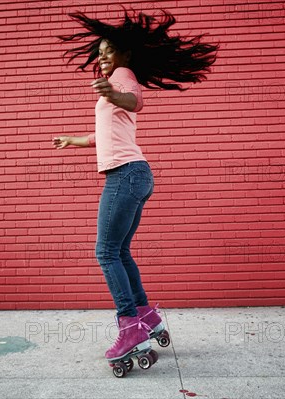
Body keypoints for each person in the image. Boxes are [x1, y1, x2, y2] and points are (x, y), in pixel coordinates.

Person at [54, 9, 217, 366]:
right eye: (98, 53)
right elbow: (103, 135)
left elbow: (135, 102)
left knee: (106, 252)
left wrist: (113, 96)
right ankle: (146, 317)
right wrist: (73, 139)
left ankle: (130, 326)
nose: (101, 57)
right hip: (135, 174)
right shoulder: (114, 83)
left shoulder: (123, 78)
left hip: (125, 174)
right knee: (121, 251)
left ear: (125, 54)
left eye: (107, 50)